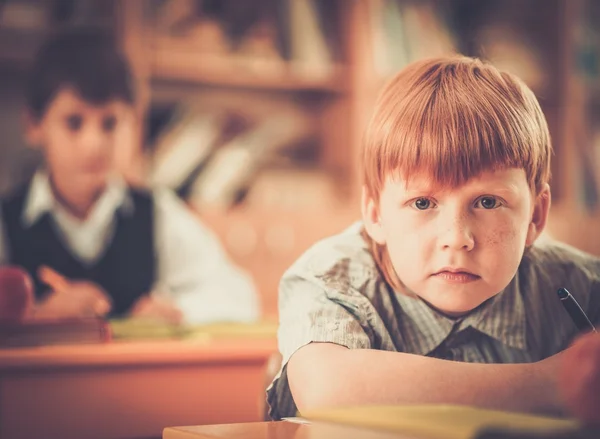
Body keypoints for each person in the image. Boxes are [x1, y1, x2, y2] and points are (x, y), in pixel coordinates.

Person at [266, 56, 600, 419]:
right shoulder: (333, 278)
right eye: (422, 202)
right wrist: (553, 383)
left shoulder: (581, 283)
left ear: (536, 215)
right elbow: (326, 387)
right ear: (375, 214)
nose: (456, 239)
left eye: (488, 202)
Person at [0, 27, 259, 324]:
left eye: (109, 124)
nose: (93, 144)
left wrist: (177, 311)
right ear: (33, 125)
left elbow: (240, 297)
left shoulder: (156, 211)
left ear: (132, 124)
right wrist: (33, 317)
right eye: (74, 123)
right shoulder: (5, 220)